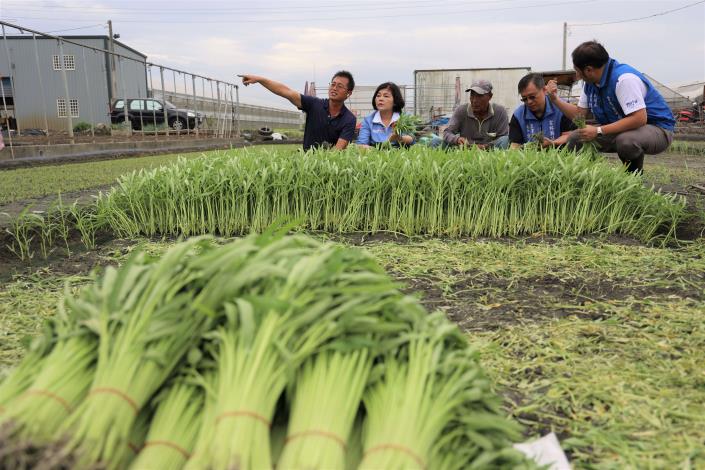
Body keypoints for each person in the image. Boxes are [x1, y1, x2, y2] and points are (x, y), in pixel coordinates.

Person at [546, 41, 675, 173]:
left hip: (657, 129)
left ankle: (633, 179)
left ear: (589, 70)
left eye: (577, 71)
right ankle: (588, 177)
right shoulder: (590, 83)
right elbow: (579, 115)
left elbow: (639, 119)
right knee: (576, 138)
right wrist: (554, 99)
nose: (577, 76)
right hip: (623, 128)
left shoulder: (623, 79)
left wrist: (598, 131)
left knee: (626, 141)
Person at [239, 71, 357, 151]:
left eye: (340, 86)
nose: (334, 88)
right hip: (305, 163)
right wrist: (260, 79)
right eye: (333, 84)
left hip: (330, 166)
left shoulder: (349, 119)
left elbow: (338, 151)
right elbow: (286, 92)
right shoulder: (314, 104)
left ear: (349, 93)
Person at [509, 73, 576, 149]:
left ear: (544, 90)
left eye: (532, 97)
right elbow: (514, 145)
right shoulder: (518, 115)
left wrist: (553, 143)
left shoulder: (561, 108)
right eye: (524, 99)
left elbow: (569, 135)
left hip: (558, 152)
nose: (529, 102)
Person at [443, 79, 509, 149]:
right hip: (465, 150)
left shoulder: (500, 112)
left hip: (489, 149)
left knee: (505, 140)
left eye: (479, 96)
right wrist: (457, 139)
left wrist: (485, 147)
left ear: (490, 96)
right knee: (435, 141)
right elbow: (447, 132)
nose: (474, 100)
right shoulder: (461, 110)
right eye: (472, 95)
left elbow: (503, 138)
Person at [356, 82, 414, 148]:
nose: (380, 99)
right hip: (375, 156)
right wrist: (378, 151)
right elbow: (361, 145)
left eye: (386, 96)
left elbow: (412, 139)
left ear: (395, 101)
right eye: (378, 96)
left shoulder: (404, 118)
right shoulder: (368, 121)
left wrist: (398, 138)